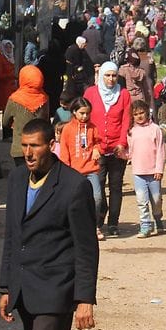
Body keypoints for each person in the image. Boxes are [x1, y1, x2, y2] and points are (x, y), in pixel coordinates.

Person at [0, 119, 98, 330]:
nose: (28, 153)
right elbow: (13, 236)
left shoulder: (72, 186)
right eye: (24, 146)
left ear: (50, 145)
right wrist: (5, 286)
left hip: (58, 287)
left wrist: (85, 298)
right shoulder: (15, 181)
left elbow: (86, 247)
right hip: (25, 287)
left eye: (35, 146)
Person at [84, 62, 132, 237]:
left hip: (117, 148)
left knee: (116, 187)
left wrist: (122, 143)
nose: (111, 79)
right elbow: (85, 118)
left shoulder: (124, 94)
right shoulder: (90, 93)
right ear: (101, 76)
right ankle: (99, 217)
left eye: (114, 76)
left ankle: (113, 223)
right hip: (97, 148)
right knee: (98, 185)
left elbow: (126, 119)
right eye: (107, 75)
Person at [58, 97, 104, 240]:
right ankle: (74, 227)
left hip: (91, 170)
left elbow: (99, 142)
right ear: (74, 112)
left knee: (97, 198)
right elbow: (64, 151)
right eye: (82, 113)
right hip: (74, 172)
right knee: (75, 201)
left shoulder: (93, 128)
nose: (85, 116)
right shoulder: (67, 129)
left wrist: (97, 149)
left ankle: (95, 226)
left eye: (87, 113)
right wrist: (66, 170)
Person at [127, 99, 165, 238]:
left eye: (141, 113)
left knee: (156, 199)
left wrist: (159, 169)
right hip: (138, 172)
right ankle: (145, 226)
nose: (139, 116)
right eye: (136, 114)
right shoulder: (131, 131)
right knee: (141, 200)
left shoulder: (155, 129)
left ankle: (158, 219)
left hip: (153, 172)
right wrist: (122, 154)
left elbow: (161, 150)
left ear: (147, 113)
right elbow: (130, 152)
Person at [4, 65, 51, 167]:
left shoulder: (14, 99)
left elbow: (5, 122)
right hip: (39, 147)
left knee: (21, 178)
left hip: (20, 148)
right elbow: (46, 121)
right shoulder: (44, 98)